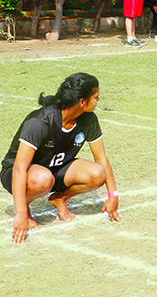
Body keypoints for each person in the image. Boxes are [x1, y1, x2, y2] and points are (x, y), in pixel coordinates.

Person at [3, 73, 120, 243]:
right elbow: (20, 168)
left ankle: (59, 198)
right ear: (82, 102)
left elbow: (101, 158)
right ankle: (24, 206)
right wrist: (21, 215)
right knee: (43, 178)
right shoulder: (40, 120)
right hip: (21, 173)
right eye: (95, 97)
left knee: (97, 174)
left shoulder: (89, 120)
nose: (98, 100)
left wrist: (113, 195)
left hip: (56, 169)